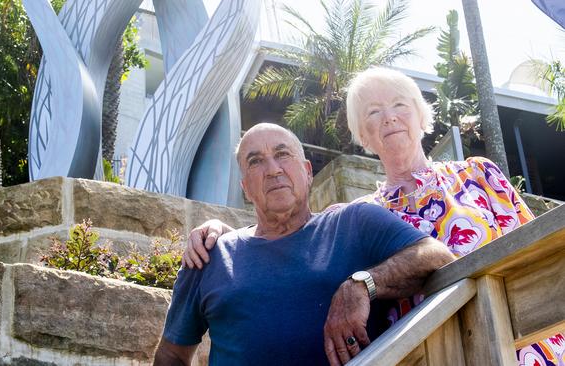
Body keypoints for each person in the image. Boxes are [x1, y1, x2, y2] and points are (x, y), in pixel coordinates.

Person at [183, 68, 561, 365]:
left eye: (399, 105)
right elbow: (286, 238)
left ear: (420, 114)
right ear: (363, 132)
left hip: (524, 343)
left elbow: (540, 254)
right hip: (428, 356)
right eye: (374, 112)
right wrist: (219, 231)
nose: (389, 118)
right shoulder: (357, 217)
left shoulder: (479, 175)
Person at [154, 123, 455, 366]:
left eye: (283, 154)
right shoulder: (209, 255)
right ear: (245, 188)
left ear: (308, 171)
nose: (273, 169)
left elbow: (437, 256)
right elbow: (172, 355)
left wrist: (363, 284)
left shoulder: (354, 223)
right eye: (255, 161)